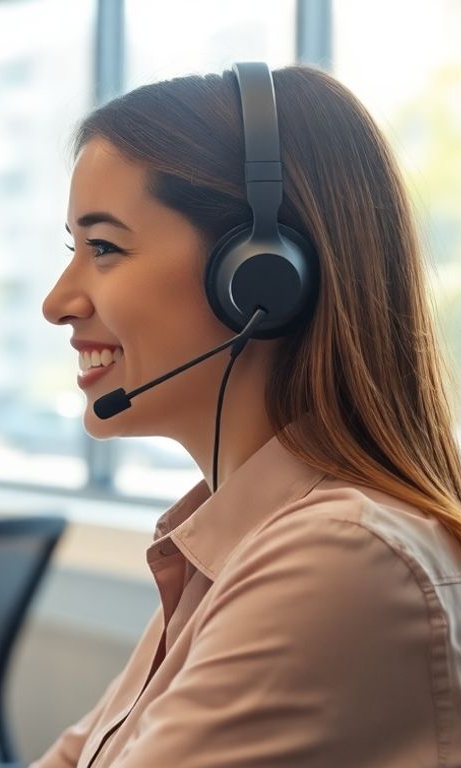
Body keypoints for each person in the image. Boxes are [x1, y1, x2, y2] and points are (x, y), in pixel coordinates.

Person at [35, 64, 461, 766]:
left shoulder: (339, 557)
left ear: (260, 276)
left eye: (105, 247)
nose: (58, 301)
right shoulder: (228, 547)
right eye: (72, 250)